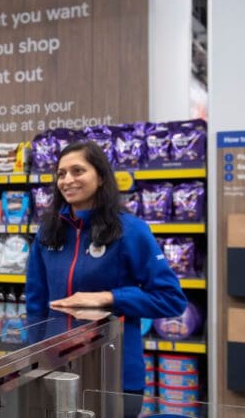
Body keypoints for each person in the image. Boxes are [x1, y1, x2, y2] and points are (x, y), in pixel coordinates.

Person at [25, 140, 187, 414]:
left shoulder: (130, 231)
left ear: (100, 177)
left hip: (115, 374)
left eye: (78, 171)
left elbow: (171, 299)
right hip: (56, 371)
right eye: (61, 174)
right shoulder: (47, 233)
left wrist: (108, 298)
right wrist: (32, 362)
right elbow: (35, 306)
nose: (68, 180)